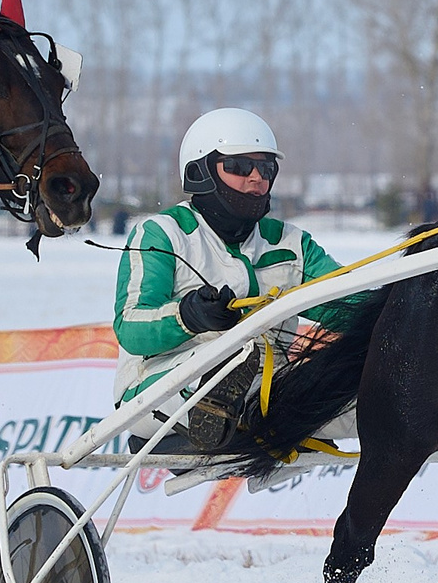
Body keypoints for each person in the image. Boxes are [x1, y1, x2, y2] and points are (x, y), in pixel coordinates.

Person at [113, 109, 356, 420]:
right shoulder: (162, 234)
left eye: (266, 168)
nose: (257, 178)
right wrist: (188, 315)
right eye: (239, 166)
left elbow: (350, 305)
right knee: (222, 363)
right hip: (157, 392)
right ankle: (219, 409)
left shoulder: (292, 243)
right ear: (201, 172)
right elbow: (130, 327)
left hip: (270, 393)